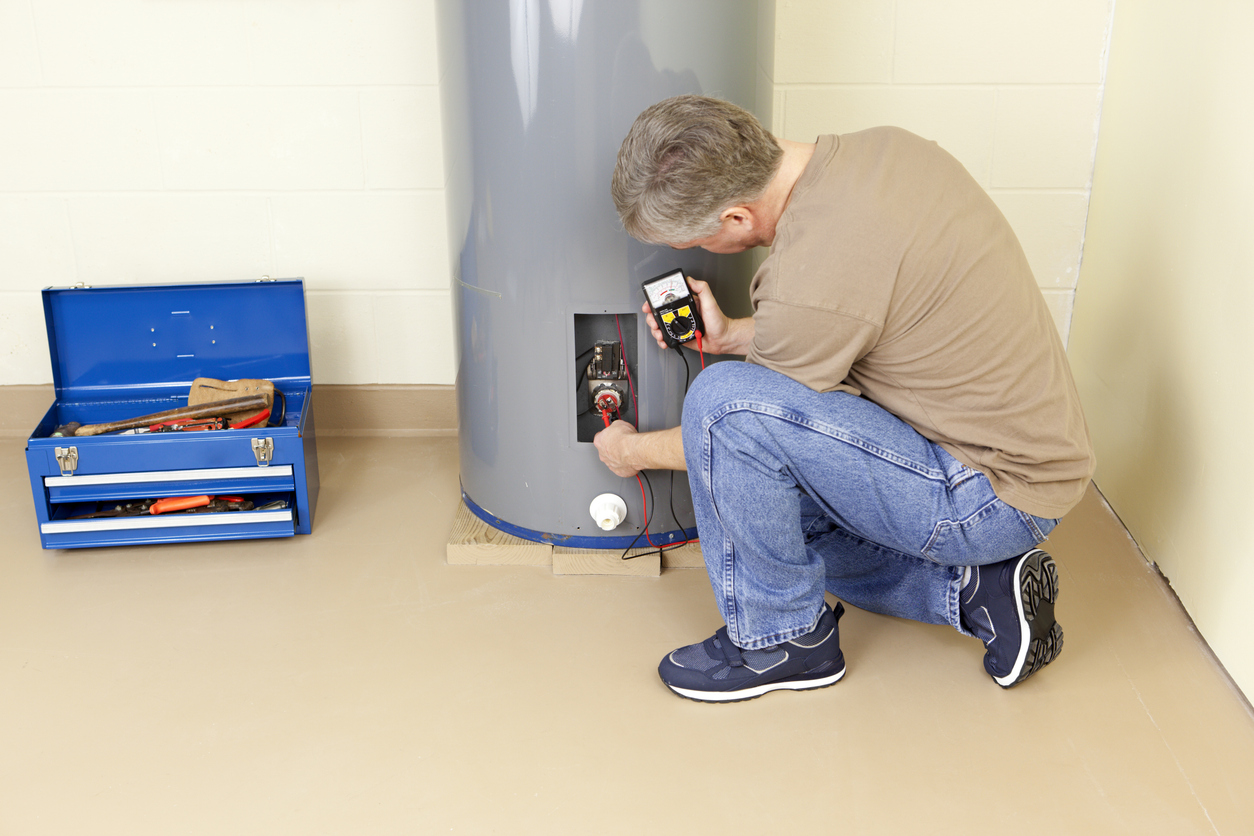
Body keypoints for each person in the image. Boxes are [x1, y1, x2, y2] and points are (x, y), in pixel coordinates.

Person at [595, 95, 1095, 703]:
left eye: (688, 241)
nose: (685, 254)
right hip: (1024, 460)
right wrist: (729, 334)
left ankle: (784, 640)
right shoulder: (885, 153)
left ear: (734, 218)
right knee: (765, 513)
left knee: (721, 405)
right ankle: (974, 592)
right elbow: (846, 320)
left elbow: (729, 429)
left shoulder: (812, 275)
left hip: (992, 496)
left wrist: (631, 450)